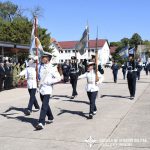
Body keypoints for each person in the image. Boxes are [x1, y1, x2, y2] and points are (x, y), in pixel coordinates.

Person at [36, 52, 61, 130]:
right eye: (42, 57)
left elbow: (58, 78)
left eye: (44, 57)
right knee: (45, 104)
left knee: (44, 106)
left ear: (48, 58)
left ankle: (41, 122)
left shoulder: (52, 67)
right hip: (41, 88)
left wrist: (49, 81)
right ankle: (50, 117)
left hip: (47, 88)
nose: (42, 58)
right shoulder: (40, 66)